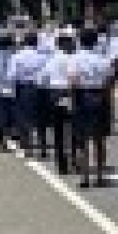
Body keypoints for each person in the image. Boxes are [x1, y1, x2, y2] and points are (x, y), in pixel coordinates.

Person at [70, 29, 115, 188]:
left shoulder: (76, 58)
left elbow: (73, 80)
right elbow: (109, 79)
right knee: (99, 139)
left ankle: (85, 177)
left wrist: (73, 98)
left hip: (82, 96)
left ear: (80, 41)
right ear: (96, 41)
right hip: (100, 95)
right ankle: (100, 176)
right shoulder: (103, 59)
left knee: (82, 138)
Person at [39, 29, 78, 174]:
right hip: (71, 92)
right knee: (74, 129)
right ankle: (74, 160)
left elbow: (41, 79)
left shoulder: (52, 60)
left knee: (58, 130)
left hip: (55, 93)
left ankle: (62, 163)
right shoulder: (73, 58)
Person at [8, 32, 52, 159]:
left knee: (23, 118)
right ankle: (43, 147)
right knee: (41, 118)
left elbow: (12, 75)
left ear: (24, 42)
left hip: (24, 88)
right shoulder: (43, 57)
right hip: (40, 88)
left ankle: (27, 147)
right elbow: (47, 74)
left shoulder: (17, 56)